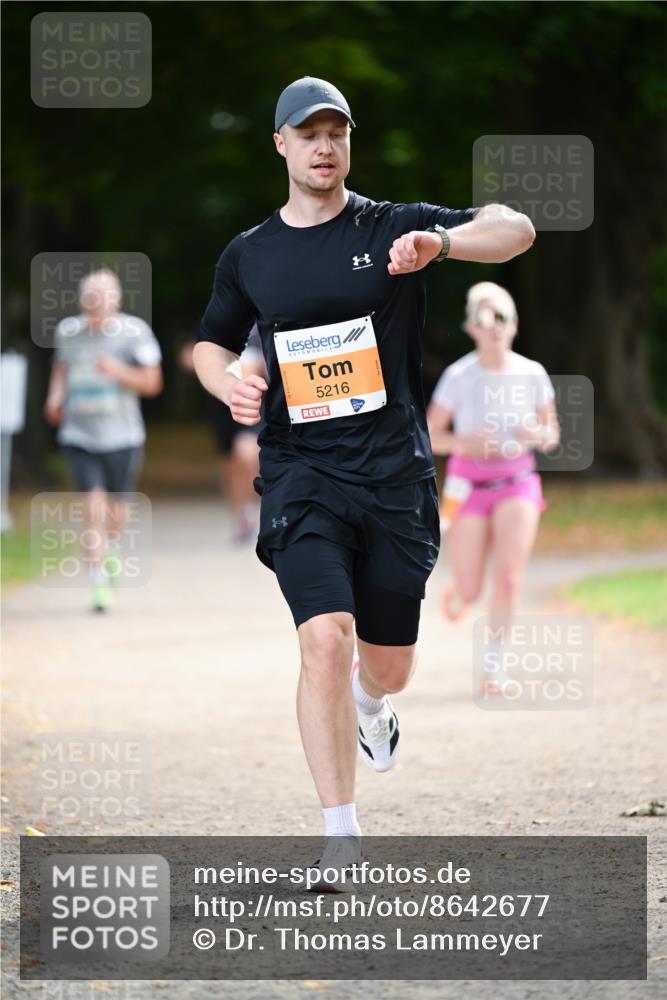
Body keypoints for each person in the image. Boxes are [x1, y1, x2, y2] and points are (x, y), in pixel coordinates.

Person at [194, 76, 535, 882]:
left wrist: (440, 246)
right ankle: (339, 834)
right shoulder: (250, 253)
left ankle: (372, 706)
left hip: (392, 476)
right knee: (322, 639)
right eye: (306, 134)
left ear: (348, 142)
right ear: (280, 144)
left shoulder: (392, 226)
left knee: (386, 666)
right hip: (300, 470)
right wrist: (227, 383)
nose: (323, 147)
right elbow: (212, 343)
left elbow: (514, 228)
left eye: (335, 133)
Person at [427, 281, 560, 693]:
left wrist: (537, 433)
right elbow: (429, 436)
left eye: (502, 316)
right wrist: (464, 443)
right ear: (471, 327)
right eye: (485, 318)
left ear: (514, 324)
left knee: (509, 577)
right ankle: (464, 588)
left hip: (517, 481)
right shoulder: (459, 376)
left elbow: (552, 433)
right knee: (471, 587)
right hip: (468, 484)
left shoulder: (532, 373)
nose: (495, 326)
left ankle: (493, 666)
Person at [44, 269, 163, 612]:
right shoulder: (68, 332)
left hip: (122, 436)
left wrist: (117, 371)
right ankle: (98, 585)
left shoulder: (135, 333)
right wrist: (54, 399)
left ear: (116, 300)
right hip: (79, 435)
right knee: (91, 508)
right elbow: (61, 370)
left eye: (102, 297)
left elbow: (153, 383)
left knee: (116, 517)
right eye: (89, 298)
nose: (95, 304)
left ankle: (107, 551)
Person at [179, 325, 265, 542]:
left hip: (254, 401)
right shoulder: (219, 317)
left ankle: (253, 508)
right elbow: (187, 357)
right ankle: (241, 517)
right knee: (229, 463)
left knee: (246, 451)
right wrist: (211, 367)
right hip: (221, 405)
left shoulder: (265, 318)